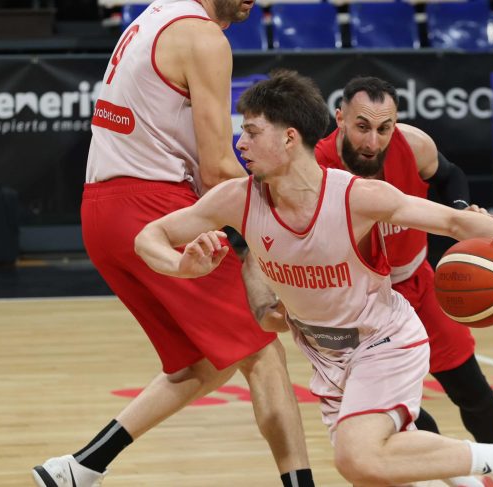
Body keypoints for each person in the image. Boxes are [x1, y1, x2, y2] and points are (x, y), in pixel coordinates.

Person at [135, 70, 493, 487]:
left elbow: (454, 222)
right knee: (375, 471)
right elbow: (149, 237)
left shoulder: (355, 195)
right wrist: (180, 266)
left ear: (289, 138)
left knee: (358, 456)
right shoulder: (236, 199)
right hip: (327, 356)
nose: (240, 143)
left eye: (251, 132)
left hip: (384, 340)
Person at [31, 2, 314, 486]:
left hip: (102, 212)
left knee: (201, 363)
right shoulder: (204, 37)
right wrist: (290, 216)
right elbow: (218, 170)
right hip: (152, 205)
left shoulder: (153, 15)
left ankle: (79, 468)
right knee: (263, 353)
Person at [314, 76, 493, 487]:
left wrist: (462, 209)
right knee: (398, 413)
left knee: (470, 388)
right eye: (362, 126)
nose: (373, 141)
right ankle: (457, 475)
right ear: (340, 118)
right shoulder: (316, 166)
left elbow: (451, 177)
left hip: (417, 281)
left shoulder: (413, 144)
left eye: (384, 128)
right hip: (363, 304)